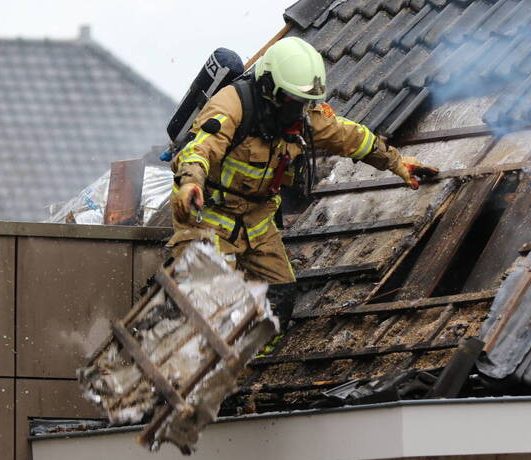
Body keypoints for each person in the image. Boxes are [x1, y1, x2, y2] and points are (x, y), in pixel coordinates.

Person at [168, 36, 438, 286]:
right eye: (293, 100)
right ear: (268, 86)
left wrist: (396, 161)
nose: (298, 110)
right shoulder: (232, 104)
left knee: (279, 298)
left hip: (256, 221)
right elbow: (199, 150)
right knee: (215, 304)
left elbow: (351, 137)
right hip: (209, 216)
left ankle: (259, 338)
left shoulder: (304, 116)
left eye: (305, 102)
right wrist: (191, 184)